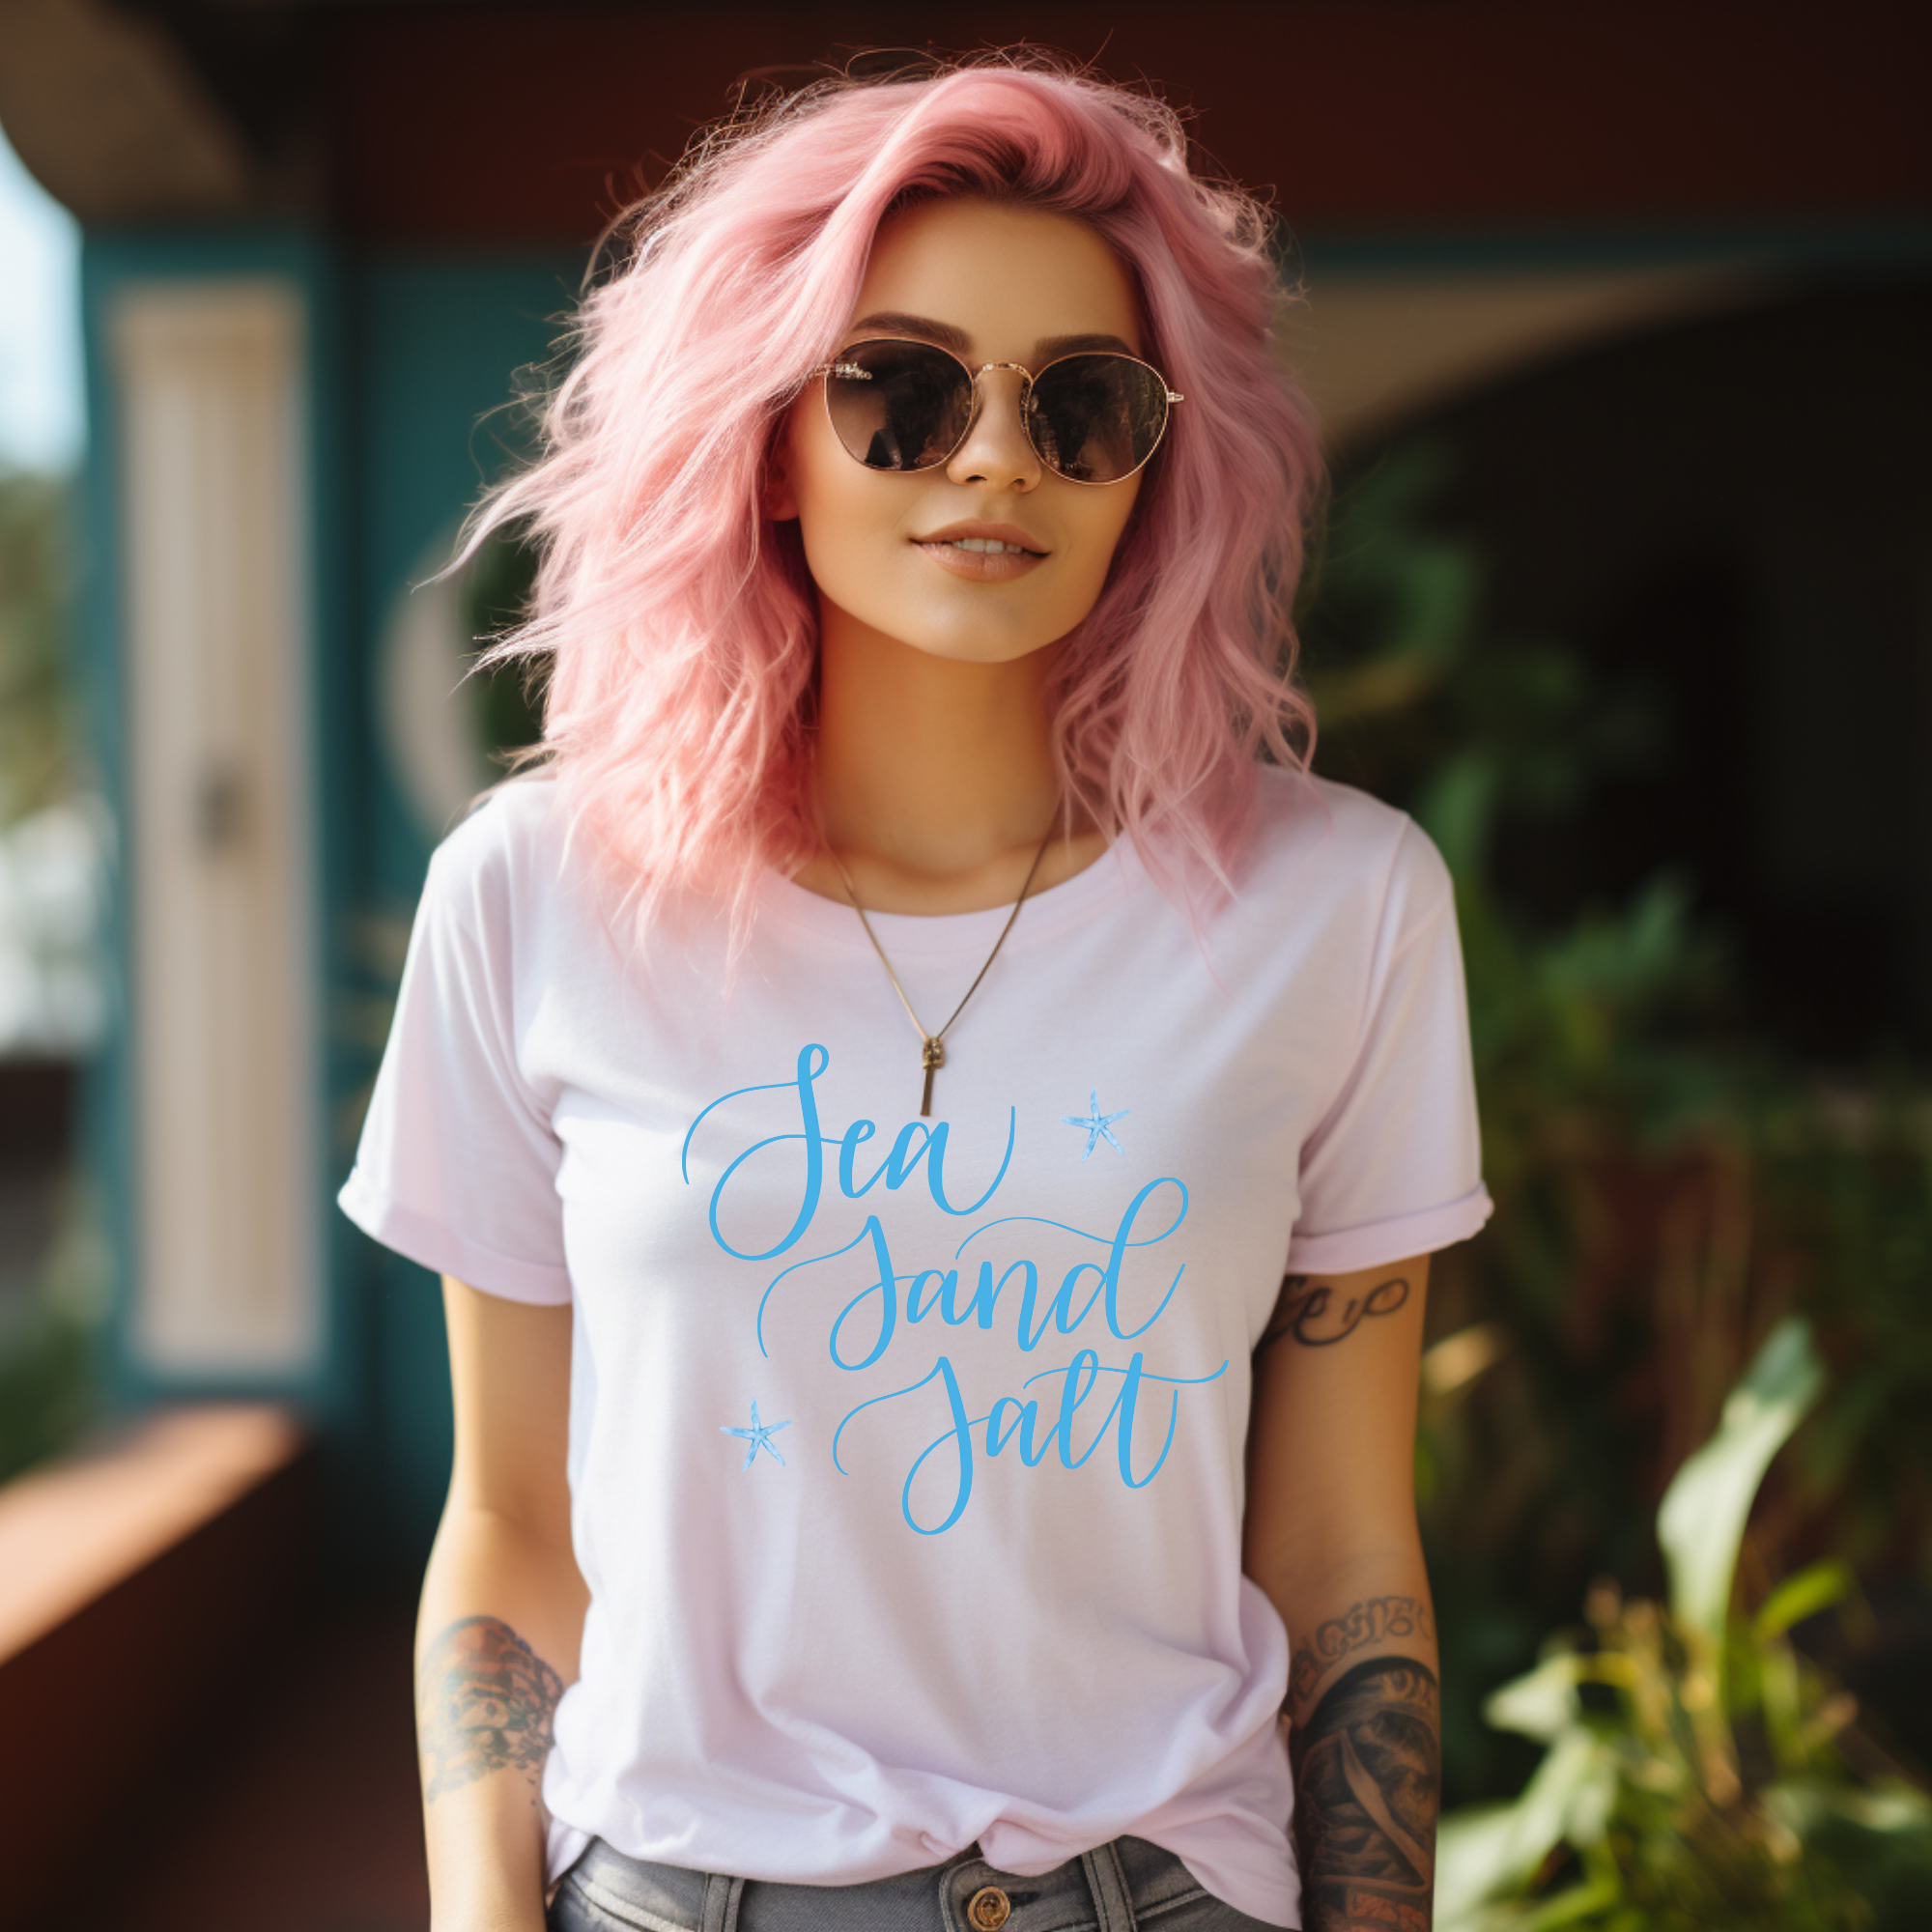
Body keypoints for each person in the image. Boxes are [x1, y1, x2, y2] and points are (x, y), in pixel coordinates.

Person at [339, 53, 1491, 1932]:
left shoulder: (1338, 904)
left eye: (1083, 403)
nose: (992, 457)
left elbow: (1346, 1537)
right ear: (763, 433)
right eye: (899, 386)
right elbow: (514, 1524)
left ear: (1157, 463)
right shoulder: (533, 900)